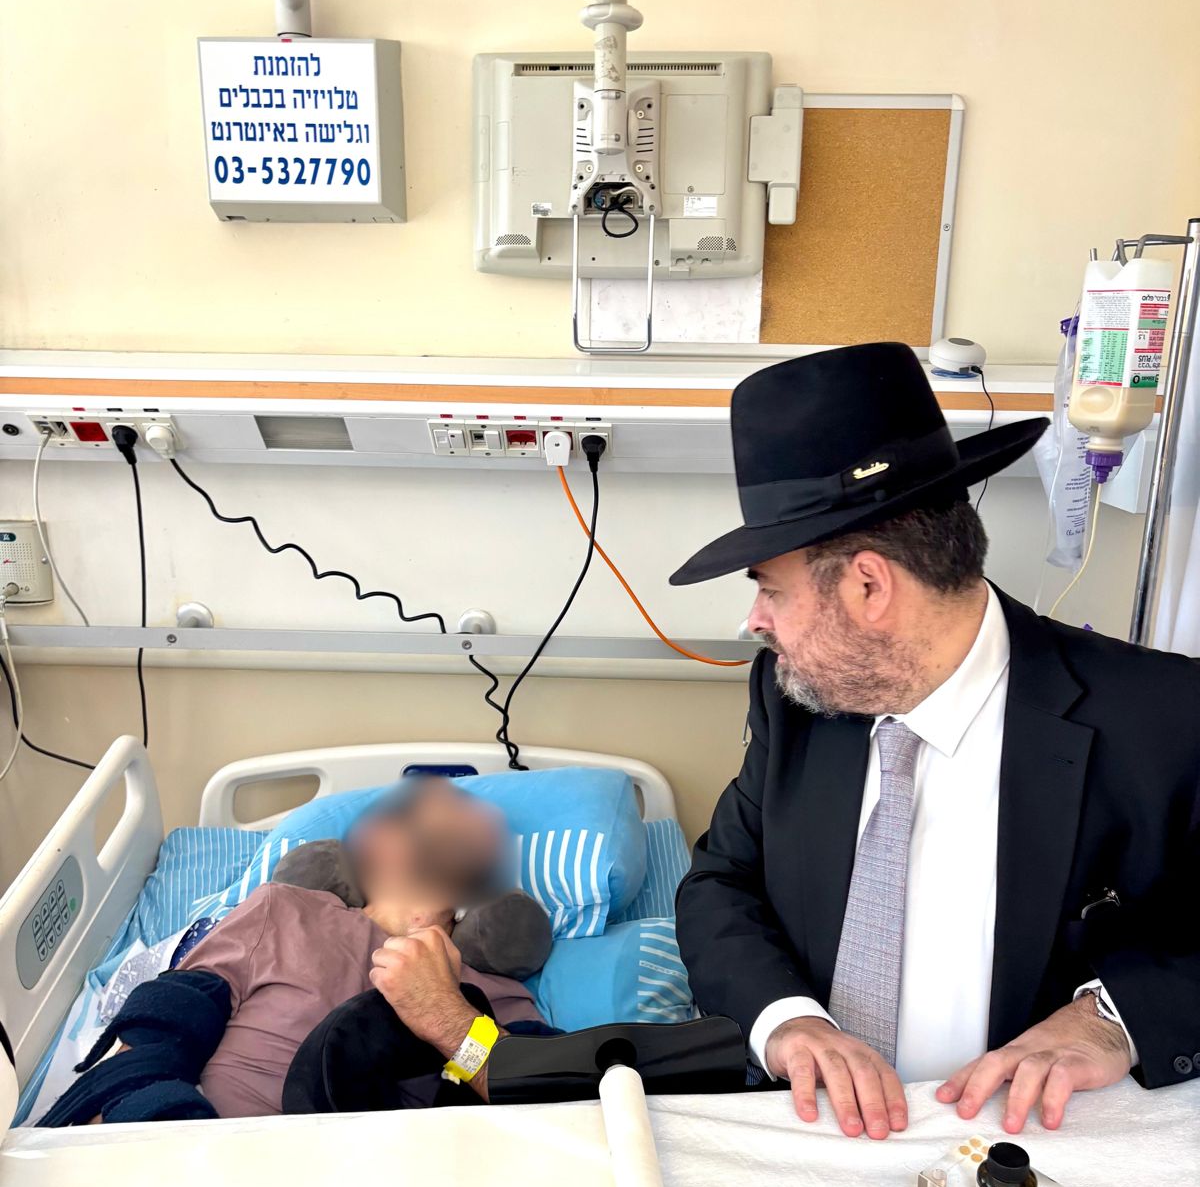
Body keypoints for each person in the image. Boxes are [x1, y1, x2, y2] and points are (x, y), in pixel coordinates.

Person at [671, 342, 1200, 1142]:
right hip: (809, 1130)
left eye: (772, 590)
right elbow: (721, 883)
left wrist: (1112, 1015)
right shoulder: (794, 703)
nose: (756, 621)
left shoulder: (1163, 718)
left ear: (869, 586)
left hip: (1041, 1147)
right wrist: (786, 1021)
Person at [41, 780, 551, 1125]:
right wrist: (141, 1122)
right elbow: (164, 1030)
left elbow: (544, 1106)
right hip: (203, 1162)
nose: (479, 815)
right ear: (377, 843)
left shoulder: (491, 993)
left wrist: (449, 1019)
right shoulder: (283, 910)